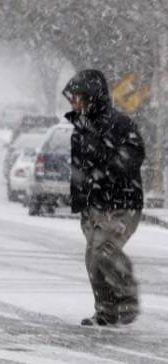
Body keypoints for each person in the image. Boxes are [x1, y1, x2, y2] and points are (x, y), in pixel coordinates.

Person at [62, 69, 145, 326]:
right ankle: (107, 311)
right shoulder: (80, 129)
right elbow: (79, 168)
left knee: (104, 251)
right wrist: (80, 200)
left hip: (122, 203)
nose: (73, 103)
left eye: (77, 97)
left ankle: (127, 299)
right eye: (71, 98)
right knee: (93, 259)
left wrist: (104, 158)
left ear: (91, 97)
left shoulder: (119, 125)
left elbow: (132, 157)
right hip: (94, 205)